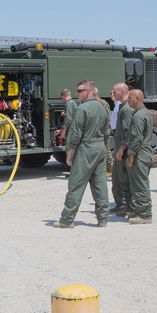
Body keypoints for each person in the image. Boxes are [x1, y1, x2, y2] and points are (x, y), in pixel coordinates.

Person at [54, 80, 110, 229]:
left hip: (86, 147)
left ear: (89, 91)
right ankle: (103, 219)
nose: (77, 93)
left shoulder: (82, 109)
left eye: (80, 91)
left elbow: (77, 133)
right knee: (100, 184)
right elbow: (106, 132)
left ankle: (67, 219)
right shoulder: (102, 108)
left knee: (76, 184)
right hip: (99, 146)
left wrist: (70, 152)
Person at [125, 89, 154, 224]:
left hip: (140, 154)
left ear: (137, 99)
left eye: (130, 97)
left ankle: (145, 214)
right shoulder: (145, 113)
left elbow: (137, 138)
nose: (128, 100)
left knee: (140, 184)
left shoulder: (138, 116)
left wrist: (131, 155)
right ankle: (140, 211)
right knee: (138, 183)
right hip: (145, 152)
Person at [109, 83, 132, 214]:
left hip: (124, 149)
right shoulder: (121, 106)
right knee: (117, 177)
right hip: (118, 145)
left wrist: (122, 149)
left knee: (125, 178)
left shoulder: (127, 108)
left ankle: (129, 207)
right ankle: (121, 204)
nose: (112, 94)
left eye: (115, 92)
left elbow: (127, 131)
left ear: (122, 92)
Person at [94, 86, 113, 177]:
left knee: (106, 149)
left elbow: (107, 116)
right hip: (96, 130)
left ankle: (110, 169)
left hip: (103, 129)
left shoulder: (103, 103)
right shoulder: (93, 103)